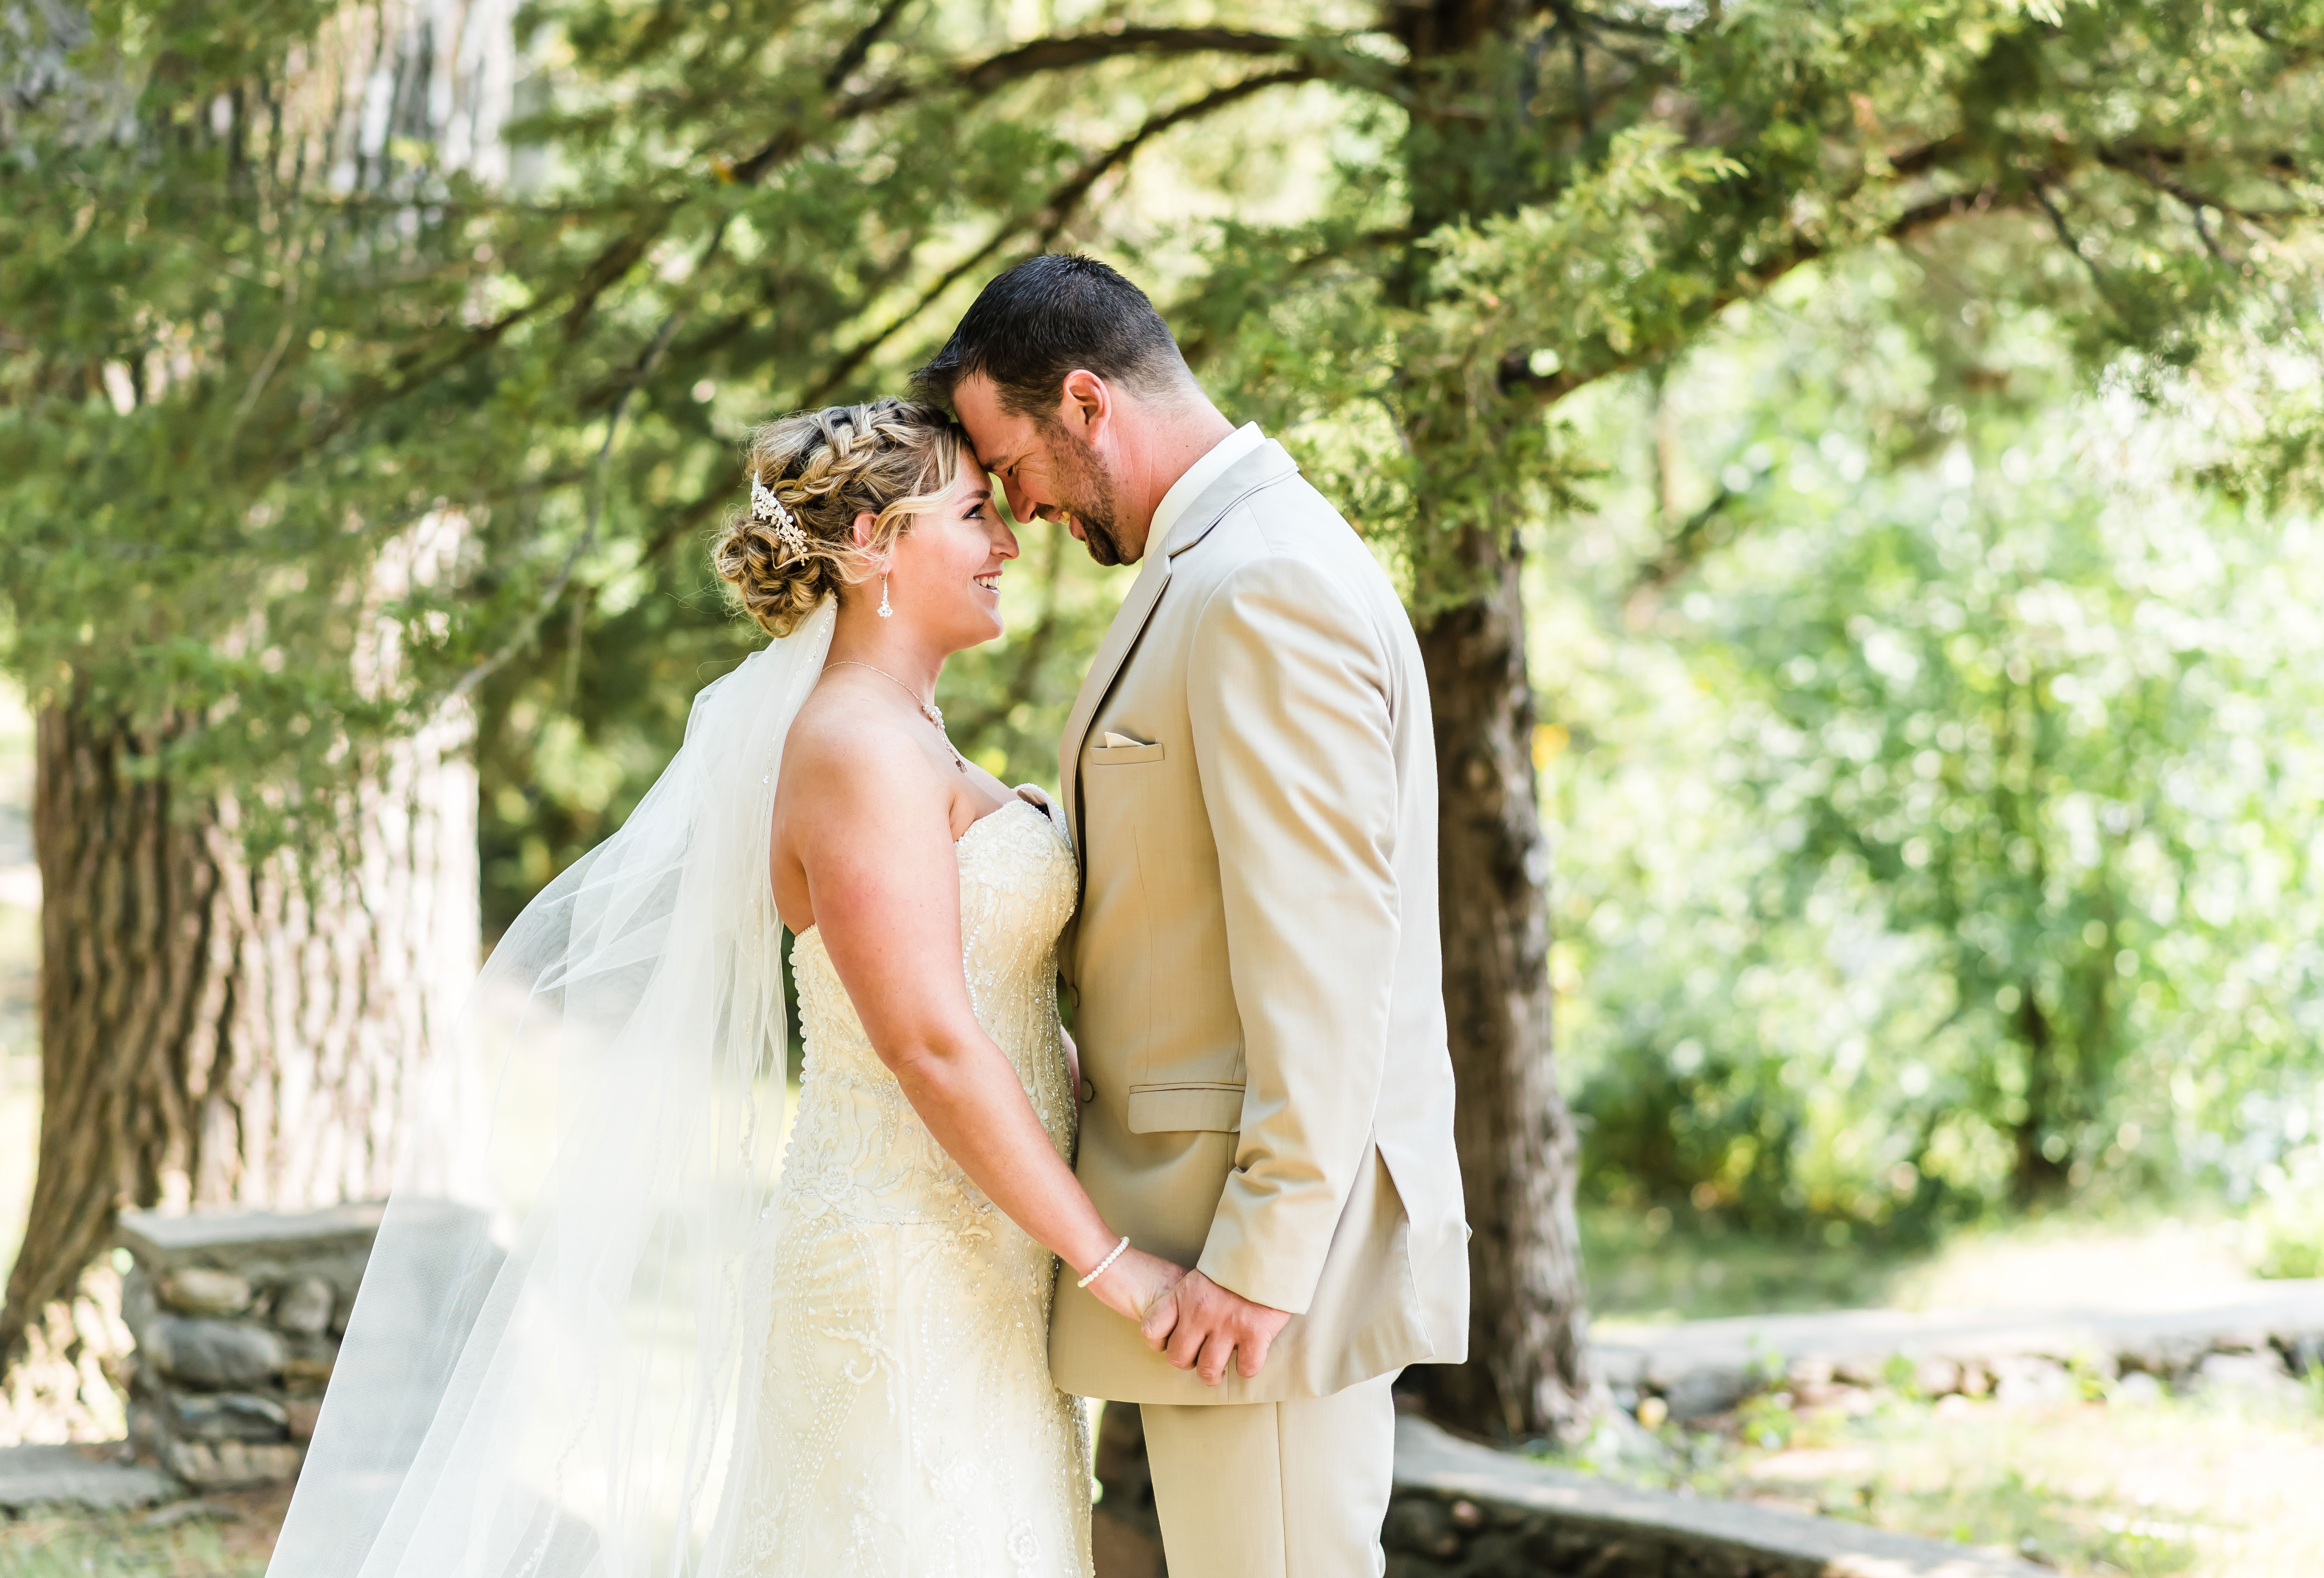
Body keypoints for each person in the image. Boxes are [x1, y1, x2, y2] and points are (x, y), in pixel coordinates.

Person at [267, 397, 1179, 1577]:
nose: (1008, 542)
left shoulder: (911, 732)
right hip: (900, 1270)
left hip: (984, 1257)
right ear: (871, 544)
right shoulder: (854, 748)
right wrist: (1113, 1265)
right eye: (972, 516)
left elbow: (1006, 1010)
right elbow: (933, 1046)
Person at [912, 254, 1470, 1578]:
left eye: (1013, 464)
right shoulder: (1214, 568)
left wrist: (1264, 1262)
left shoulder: (1261, 586)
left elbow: (1329, 962)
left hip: (1257, 1268)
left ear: (1089, 404)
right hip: (1201, 1231)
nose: (1018, 510)